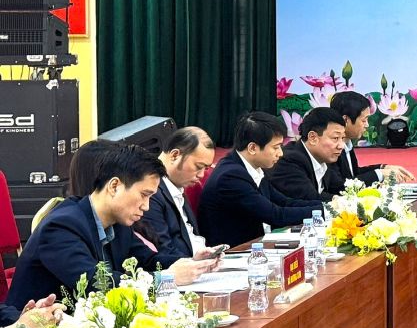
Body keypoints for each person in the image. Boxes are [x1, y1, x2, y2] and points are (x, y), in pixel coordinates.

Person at [6, 143, 218, 307]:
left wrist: (191, 263)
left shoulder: (118, 222)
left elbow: (148, 261)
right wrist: (166, 279)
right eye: (144, 195)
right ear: (114, 186)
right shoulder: (62, 226)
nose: (146, 206)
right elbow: (95, 285)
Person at [198, 111, 323, 251]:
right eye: (275, 147)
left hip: (255, 245)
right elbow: (276, 215)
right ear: (252, 148)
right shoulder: (230, 177)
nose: (281, 153)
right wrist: (324, 211)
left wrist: (328, 207)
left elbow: (284, 202)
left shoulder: (252, 167)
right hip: (233, 252)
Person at [136, 126, 215, 261]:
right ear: (174, 155)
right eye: (198, 167)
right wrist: (193, 263)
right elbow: (162, 251)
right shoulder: (150, 193)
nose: (201, 175)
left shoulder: (176, 183)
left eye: (206, 169)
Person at [330, 90, 414, 184]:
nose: (367, 125)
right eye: (364, 120)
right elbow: (340, 185)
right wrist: (380, 174)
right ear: (345, 120)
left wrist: (383, 168)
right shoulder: (331, 148)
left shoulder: (347, 144)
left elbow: (353, 173)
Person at [268, 106, 348, 203]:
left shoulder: (323, 157)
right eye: (335, 138)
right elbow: (310, 199)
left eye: (342, 138)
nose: (341, 146)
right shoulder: (289, 161)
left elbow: (339, 188)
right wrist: (345, 202)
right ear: (313, 138)